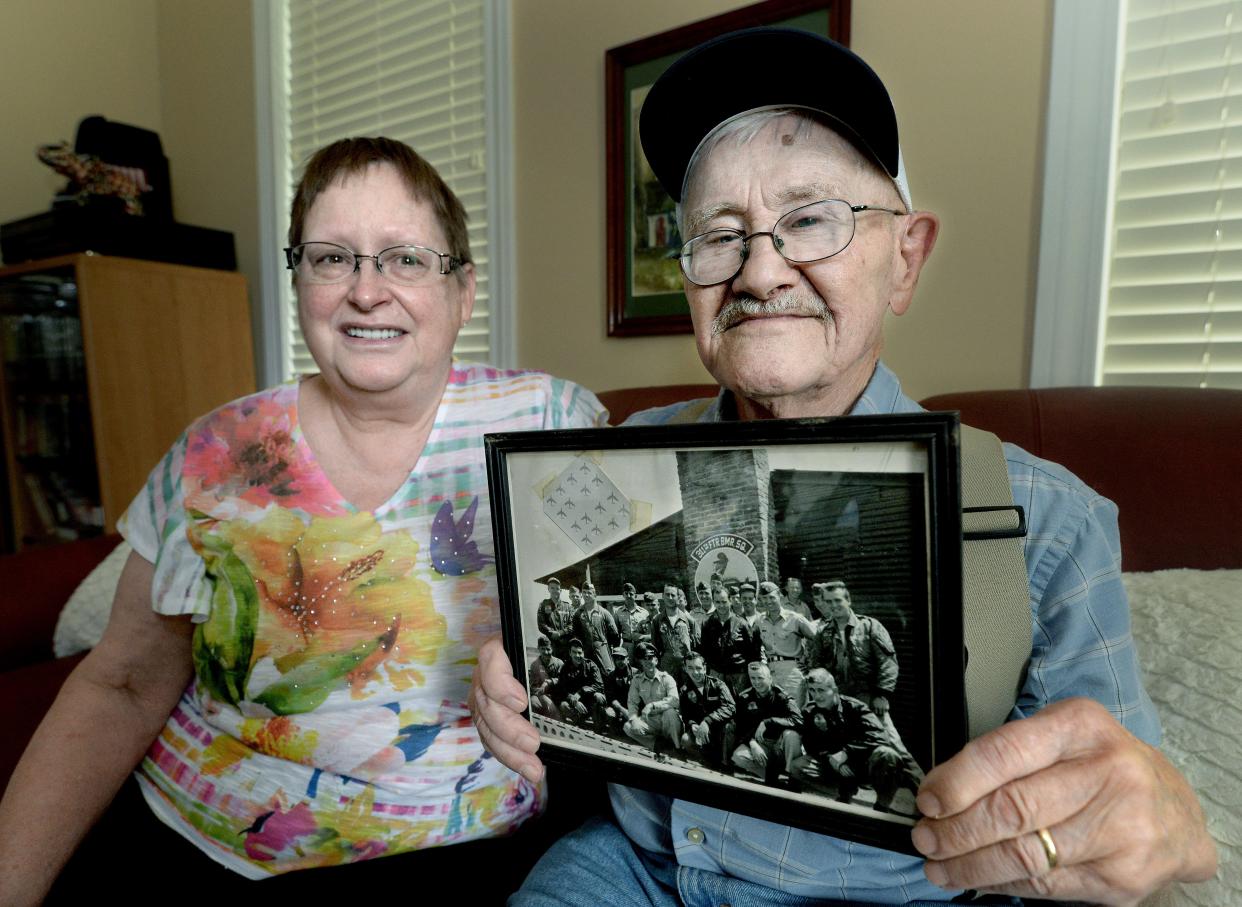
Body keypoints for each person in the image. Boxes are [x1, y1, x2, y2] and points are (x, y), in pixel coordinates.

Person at [473, 28, 1215, 905]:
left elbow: (1125, 823)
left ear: (906, 258)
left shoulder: (1044, 519)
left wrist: (1158, 822)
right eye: (719, 235)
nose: (759, 270)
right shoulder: (626, 453)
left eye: (810, 220)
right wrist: (516, 694)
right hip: (632, 868)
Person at [0, 135, 608, 902]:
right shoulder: (218, 449)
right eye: (332, 258)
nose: (366, 290)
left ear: (463, 291)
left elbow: (617, 629)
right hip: (196, 838)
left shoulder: (551, 423)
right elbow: (119, 683)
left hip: (458, 851)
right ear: (300, 282)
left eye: (405, 258)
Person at [787, 669, 921, 814]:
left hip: (863, 765)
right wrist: (830, 758)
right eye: (812, 690)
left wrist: (847, 752)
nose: (817, 696)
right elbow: (811, 744)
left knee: (887, 754)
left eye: (821, 690)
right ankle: (842, 795)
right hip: (835, 766)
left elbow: (880, 736)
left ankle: (882, 806)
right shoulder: (810, 710)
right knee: (797, 767)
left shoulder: (855, 707)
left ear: (834, 690)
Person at [808, 580, 899, 722]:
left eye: (837, 600)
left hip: (869, 698)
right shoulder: (823, 632)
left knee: (888, 742)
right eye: (828, 601)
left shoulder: (869, 626)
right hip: (838, 699)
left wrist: (882, 695)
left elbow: (887, 662)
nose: (833, 605)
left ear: (848, 600)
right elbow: (816, 666)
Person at [727, 661, 801, 785]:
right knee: (739, 756)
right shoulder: (745, 697)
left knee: (792, 735)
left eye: (760, 678)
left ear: (770, 678)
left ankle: (792, 779)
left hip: (780, 746)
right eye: (752, 678)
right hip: (762, 744)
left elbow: (798, 720)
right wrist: (751, 742)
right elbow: (741, 727)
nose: (756, 682)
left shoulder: (782, 696)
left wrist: (768, 722)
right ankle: (773, 777)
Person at [754, 580, 817, 698]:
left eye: (772, 597)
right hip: (769, 672)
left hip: (792, 671)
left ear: (779, 596)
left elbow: (816, 638)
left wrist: (809, 662)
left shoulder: (795, 618)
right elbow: (756, 646)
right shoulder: (759, 621)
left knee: (796, 710)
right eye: (764, 598)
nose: (768, 601)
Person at [676, 652, 735, 769]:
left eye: (698, 668)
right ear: (685, 669)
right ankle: (708, 760)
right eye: (690, 668)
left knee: (729, 727)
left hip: (720, 729)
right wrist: (692, 724)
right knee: (685, 740)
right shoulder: (684, 690)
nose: (695, 672)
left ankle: (725, 764)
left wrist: (708, 721)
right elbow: (686, 714)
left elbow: (730, 707)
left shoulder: (718, 685)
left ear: (705, 668)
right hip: (702, 731)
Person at [622, 641, 681, 753]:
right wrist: (634, 719)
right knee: (628, 727)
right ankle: (656, 744)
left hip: (668, 721)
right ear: (640, 662)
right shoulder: (637, 680)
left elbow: (675, 702)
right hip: (651, 721)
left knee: (671, 713)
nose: (647, 661)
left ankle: (677, 748)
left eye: (650, 658)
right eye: (644, 659)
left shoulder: (667, 679)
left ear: (656, 660)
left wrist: (653, 705)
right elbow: (632, 702)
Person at [553, 639, 608, 730]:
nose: (577, 655)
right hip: (576, 704)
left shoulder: (591, 665)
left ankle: (599, 727)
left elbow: (599, 685)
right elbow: (561, 689)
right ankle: (579, 723)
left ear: (583, 653)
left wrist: (581, 692)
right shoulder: (565, 668)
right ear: (570, 653)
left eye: (580, 652)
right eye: (574, 652)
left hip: (590, 701)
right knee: (563, 705)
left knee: (599, 696)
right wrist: (573, 699)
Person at [649, 583, 694, 676]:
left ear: (678, 597)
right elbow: (655, 646)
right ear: (662, 596)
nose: (670, 598)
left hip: (686, 667)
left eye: (673, 595)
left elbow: (696, 643)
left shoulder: (688, 619)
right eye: (667, 594)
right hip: (666, 667)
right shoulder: (657, 620)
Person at [527, 635, 564, 720]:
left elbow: (563, 681)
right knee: (533, 703)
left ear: (552, 649)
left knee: (552, 709)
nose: (546, 652)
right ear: (538, 649)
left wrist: (549, 681)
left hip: (556, 696)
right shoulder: (535, 665)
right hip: (540, 695)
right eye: (543, 649)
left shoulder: (559, 663)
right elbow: (533, 686)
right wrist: (539, 695)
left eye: (548, 649)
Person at [611, 582, 651, 659]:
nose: (629, 596)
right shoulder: (618, 612)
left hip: (641, 645)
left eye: (631, 594)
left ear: (635, 596)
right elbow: (616, 633)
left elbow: (648, 632)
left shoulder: (644, 612)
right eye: (626, 593)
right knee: (629, 668)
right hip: (627, 646)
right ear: (623, 595)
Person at [536, 577, 571, 659]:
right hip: (551, 645)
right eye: (552, 588)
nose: (555, 590)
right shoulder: (543, 605)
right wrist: (552, 632)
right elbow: (541, 624)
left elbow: (572, 624)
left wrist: (561, 632)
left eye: (557, 588)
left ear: (561, 590)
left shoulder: (567, 606)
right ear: (548, 589)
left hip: (566, 645)